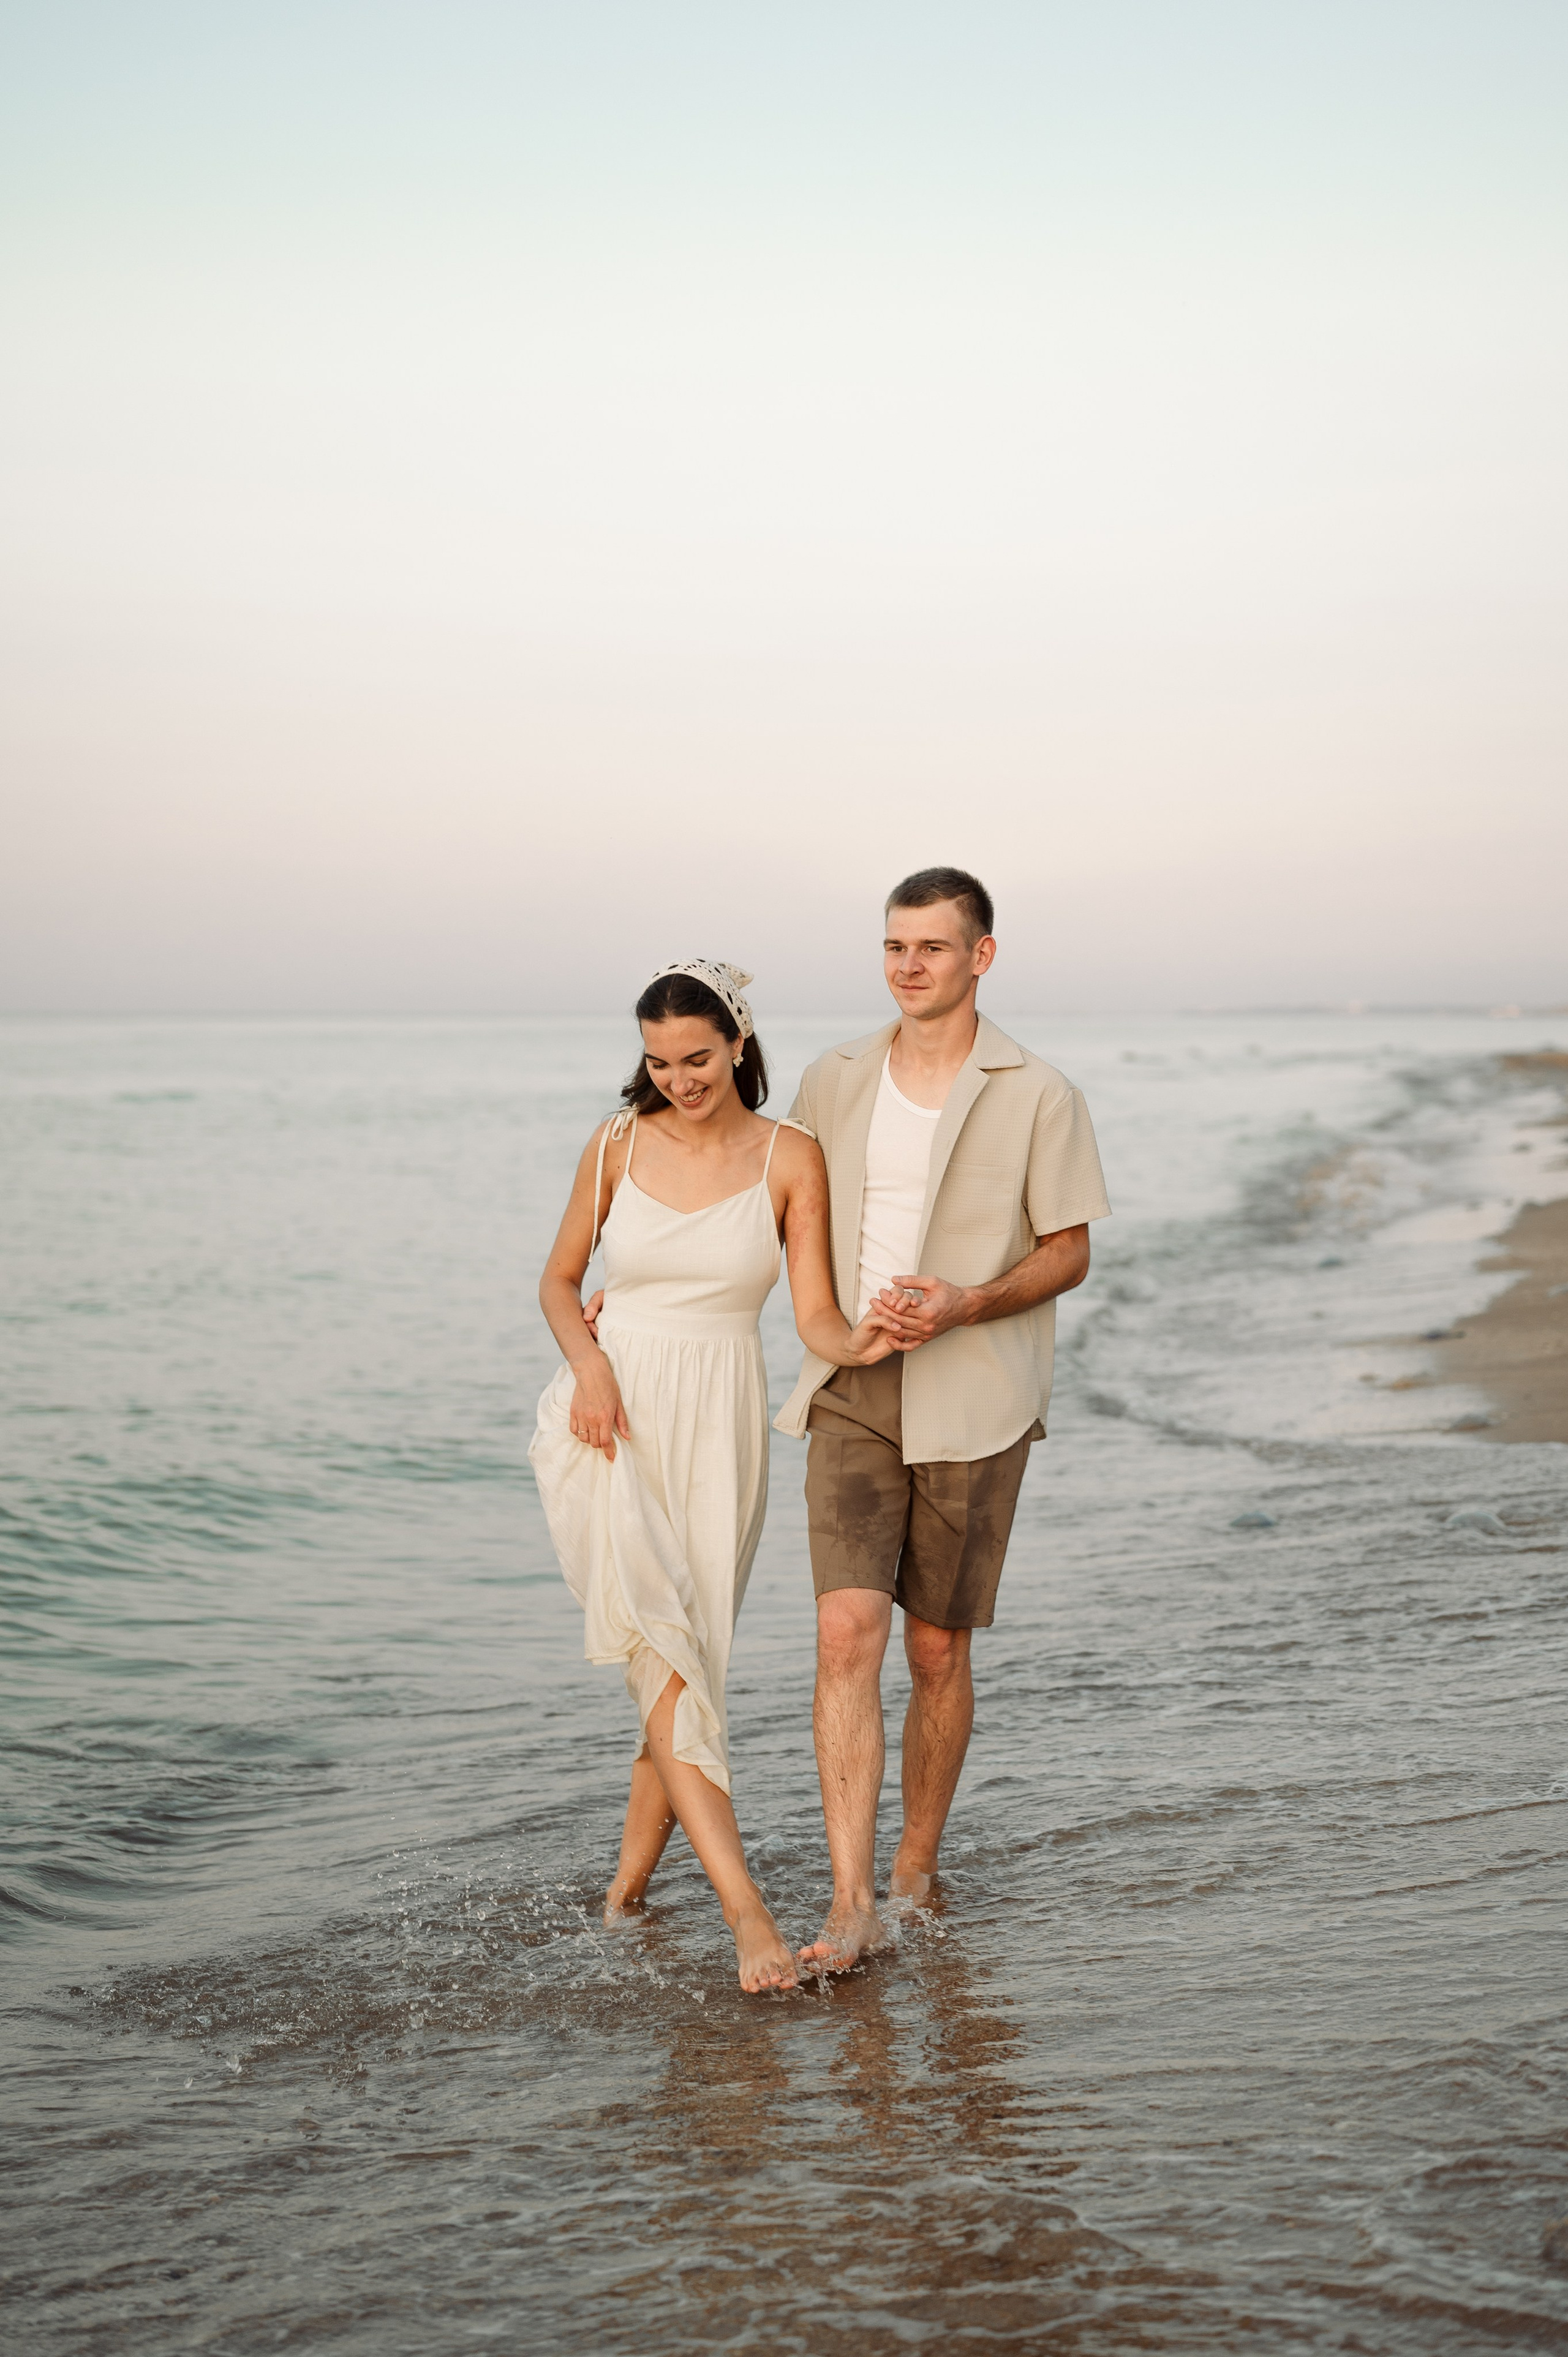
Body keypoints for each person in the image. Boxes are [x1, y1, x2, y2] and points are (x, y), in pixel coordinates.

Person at [530, 960, 911, 1996]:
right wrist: (592, 1366)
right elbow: (559, 1283)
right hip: (616, 1413)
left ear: (738, 1043)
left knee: (687, 1657)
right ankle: (745, 1910)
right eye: (657, 1062)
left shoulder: (793, 1158)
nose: (678, 1079)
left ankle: (624, 1893)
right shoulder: (615, 1145)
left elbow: (816, 1318)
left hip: (723, 1421)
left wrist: (875, 1338)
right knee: (667, 1660)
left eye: (696, 1058)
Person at [774, 868, 1111, 1972]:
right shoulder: (831, 1079)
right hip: (856, 1385)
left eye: (931, 947)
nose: (908, 966)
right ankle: (850, 1900)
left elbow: (1070, 1250)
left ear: (982, 955)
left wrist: (967, 1301)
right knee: (844, 1634)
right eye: (893, 947)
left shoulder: (1038, 1091)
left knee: (935, 1648)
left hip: (978, 1394)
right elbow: (776, 1210)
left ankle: (918, 1866)